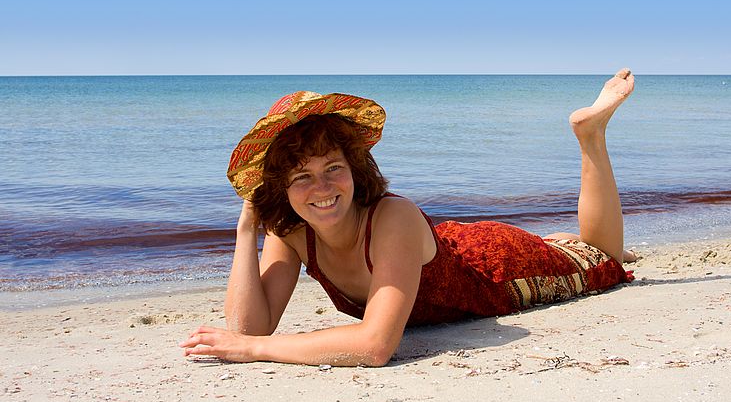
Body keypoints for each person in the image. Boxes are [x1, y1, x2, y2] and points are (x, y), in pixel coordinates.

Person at [180, 69, 637, 366]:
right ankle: (559, 238)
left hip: (491, 269)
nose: (321, 188)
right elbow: (247, 327)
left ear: (354, 169)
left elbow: (375, 346)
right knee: (575, 246)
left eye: (333, 168)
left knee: (605, 260)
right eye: (301, 176)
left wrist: (257, 351)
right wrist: (247, 227)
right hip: (445, 243)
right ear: (278, 188)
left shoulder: (391, 214)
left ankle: (589, 136)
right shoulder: (293, 232)